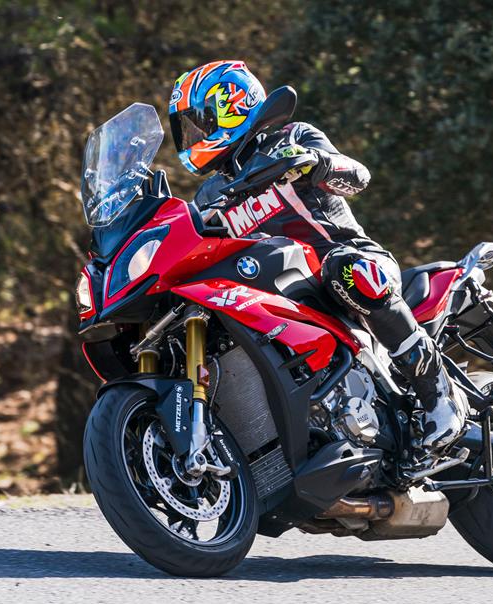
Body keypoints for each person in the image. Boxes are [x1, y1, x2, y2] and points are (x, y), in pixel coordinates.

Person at [168, 60, 464, 450]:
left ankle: (438, 395)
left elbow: (358, 176)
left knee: (345, 270)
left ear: (232, 106)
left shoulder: (292, 137)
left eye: (199, 122)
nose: (192, 136)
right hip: (282, 292)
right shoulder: (210, 195)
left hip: (352, 261)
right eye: (186, 127)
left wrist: (317, 163)